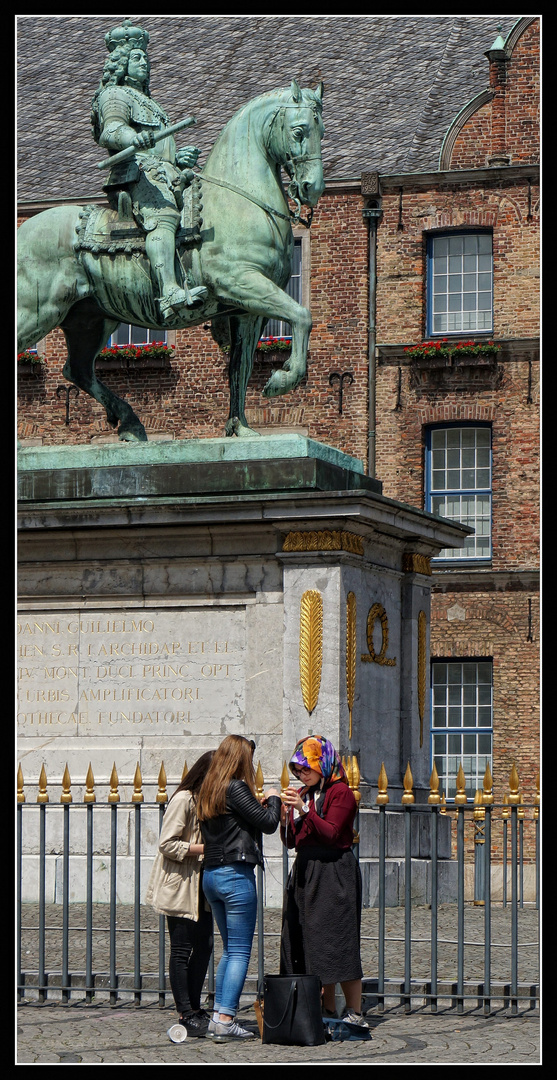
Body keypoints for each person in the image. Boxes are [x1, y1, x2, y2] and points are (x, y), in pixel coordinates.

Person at [90, 19, 208, 321]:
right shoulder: (116, 95)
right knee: (165, 216)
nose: (145, 62)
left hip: (163, 173)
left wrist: (179, 158)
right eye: (137, 57)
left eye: (146, 57)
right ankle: (169, 290)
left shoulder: (152, 104)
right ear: (121, 63)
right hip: (134, 174)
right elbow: (111, 131)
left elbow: (162, 148)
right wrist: (133, 137)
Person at [196, 735, 281, 1042]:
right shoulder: (236, 786)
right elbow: (270, 823)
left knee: (230, 949)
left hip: (211, 875)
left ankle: (219, 1013)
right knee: (240, 951)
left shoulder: (209, 789)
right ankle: (225, 1018)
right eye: (249, 758)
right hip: (235, 874)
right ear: (240, 759)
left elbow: (239, 821)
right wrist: (274, 797)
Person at [279, 735, 368, 1028]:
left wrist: (305, 811)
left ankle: (354, 1010)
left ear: (323, 764)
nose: (302, 775)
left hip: (333, 872)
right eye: (298, 769)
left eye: (306, 768)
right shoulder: (306, 794)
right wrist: (285, 819)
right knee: (311, 942)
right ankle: (326, 1008)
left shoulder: (341, 792)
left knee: (338, 941)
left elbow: (331, 833)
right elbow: (293, 841)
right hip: (307, 871)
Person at [145, 751, 215, 1041]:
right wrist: (205, 849)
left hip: (200, 883)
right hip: (180, 883)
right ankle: (185, 1012)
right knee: (181, 949)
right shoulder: (183, 799)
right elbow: (167, 843)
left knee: (206, 945)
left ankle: (196, 1008)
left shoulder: (206, 801)